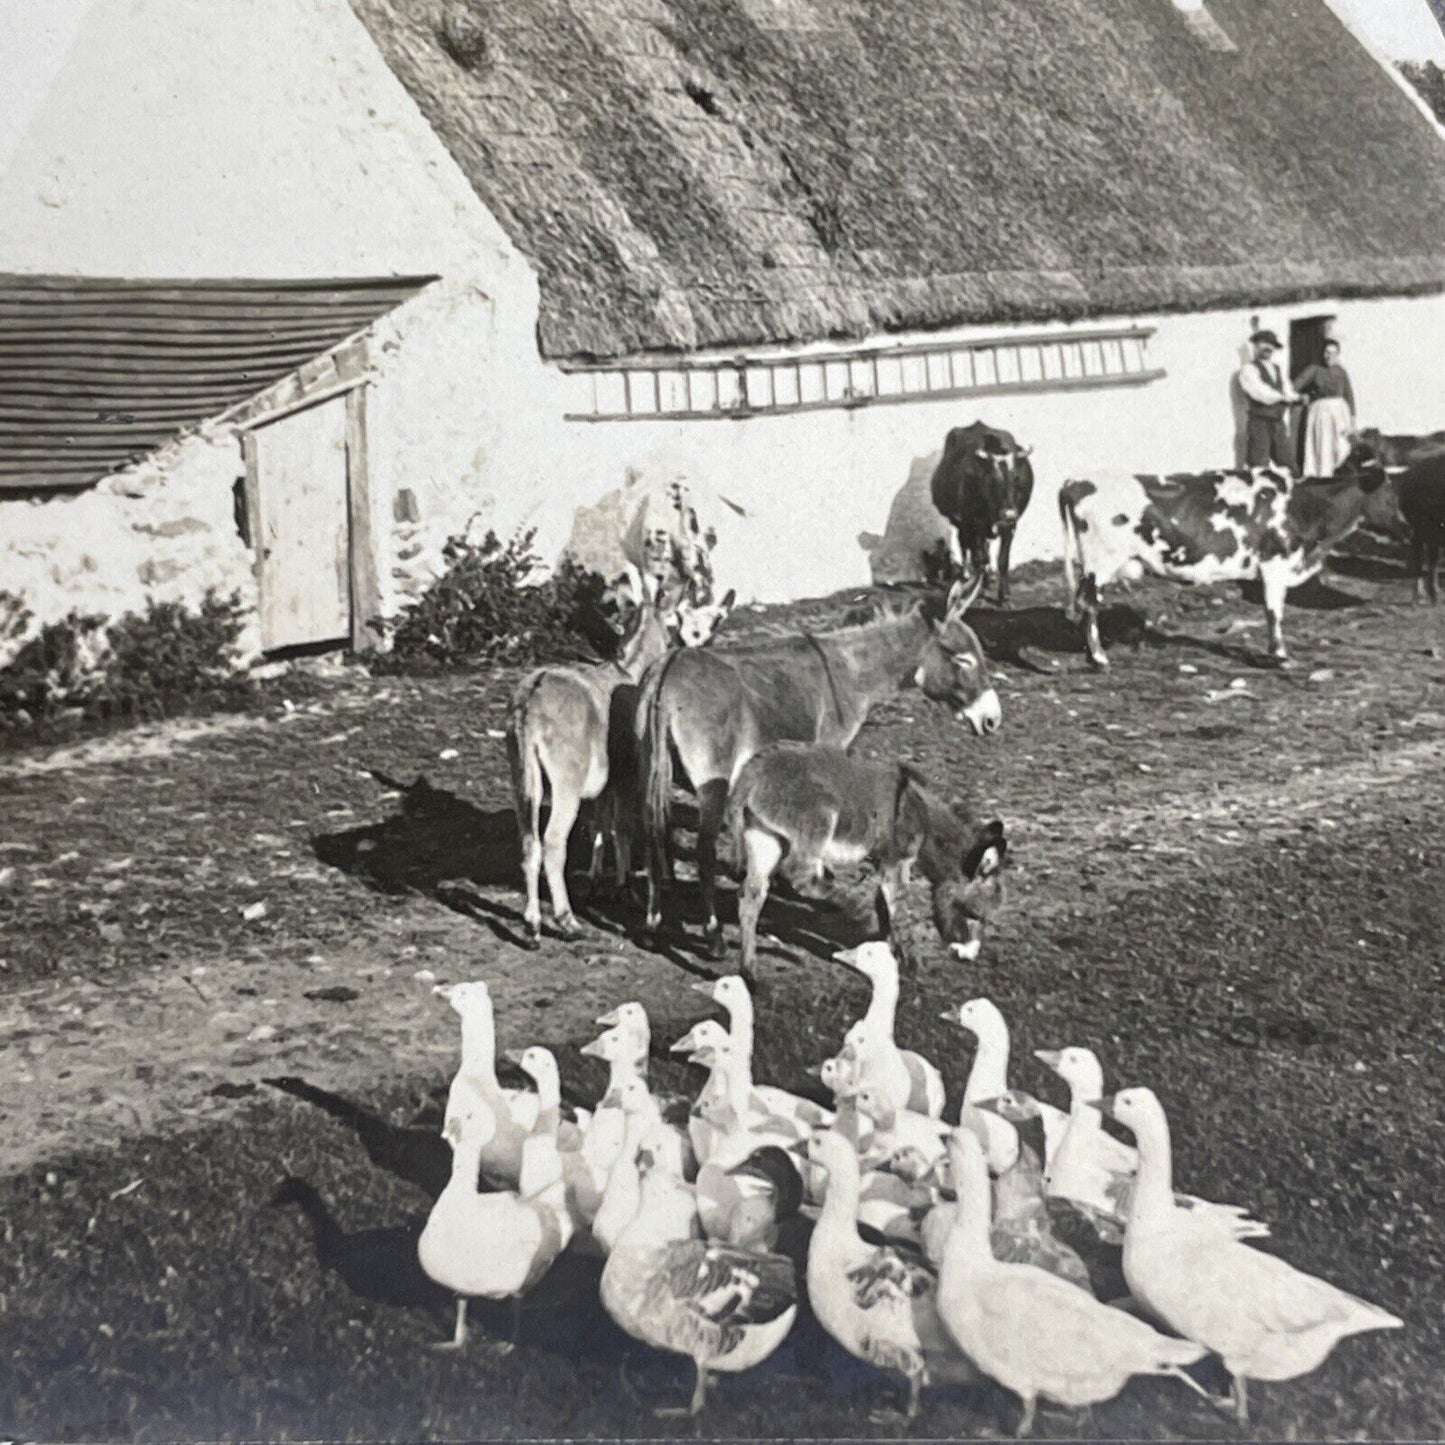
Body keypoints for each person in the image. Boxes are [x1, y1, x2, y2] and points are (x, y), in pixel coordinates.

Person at [1236, 330, 1299, 471]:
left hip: (1278, 422)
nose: (1268, 348)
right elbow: (1260, 392)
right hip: (1260, 423)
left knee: (1287, 462)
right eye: (1263, 343)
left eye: (1271, 345)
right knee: (1259, 463)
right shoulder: (1249, 369)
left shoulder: (1277, 369)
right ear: (1256, 346)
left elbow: (1287, 389)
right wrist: (1284, 398)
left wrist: (1297, 398)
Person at [1292, 338, 1356, 476]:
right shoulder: (1315, 369)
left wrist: (1352, 417)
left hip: (1340, 413)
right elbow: (1296, 385)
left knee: (1340, 444)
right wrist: (1306, 396)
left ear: (1338, 354)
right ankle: (1322, 475)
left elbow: (1349, 394)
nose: (1329, 356)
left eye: (1333, 353)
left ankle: (1339, 475)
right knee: (1323, 444)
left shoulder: (1342, 371)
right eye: (1327, 352)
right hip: (1321, 413)